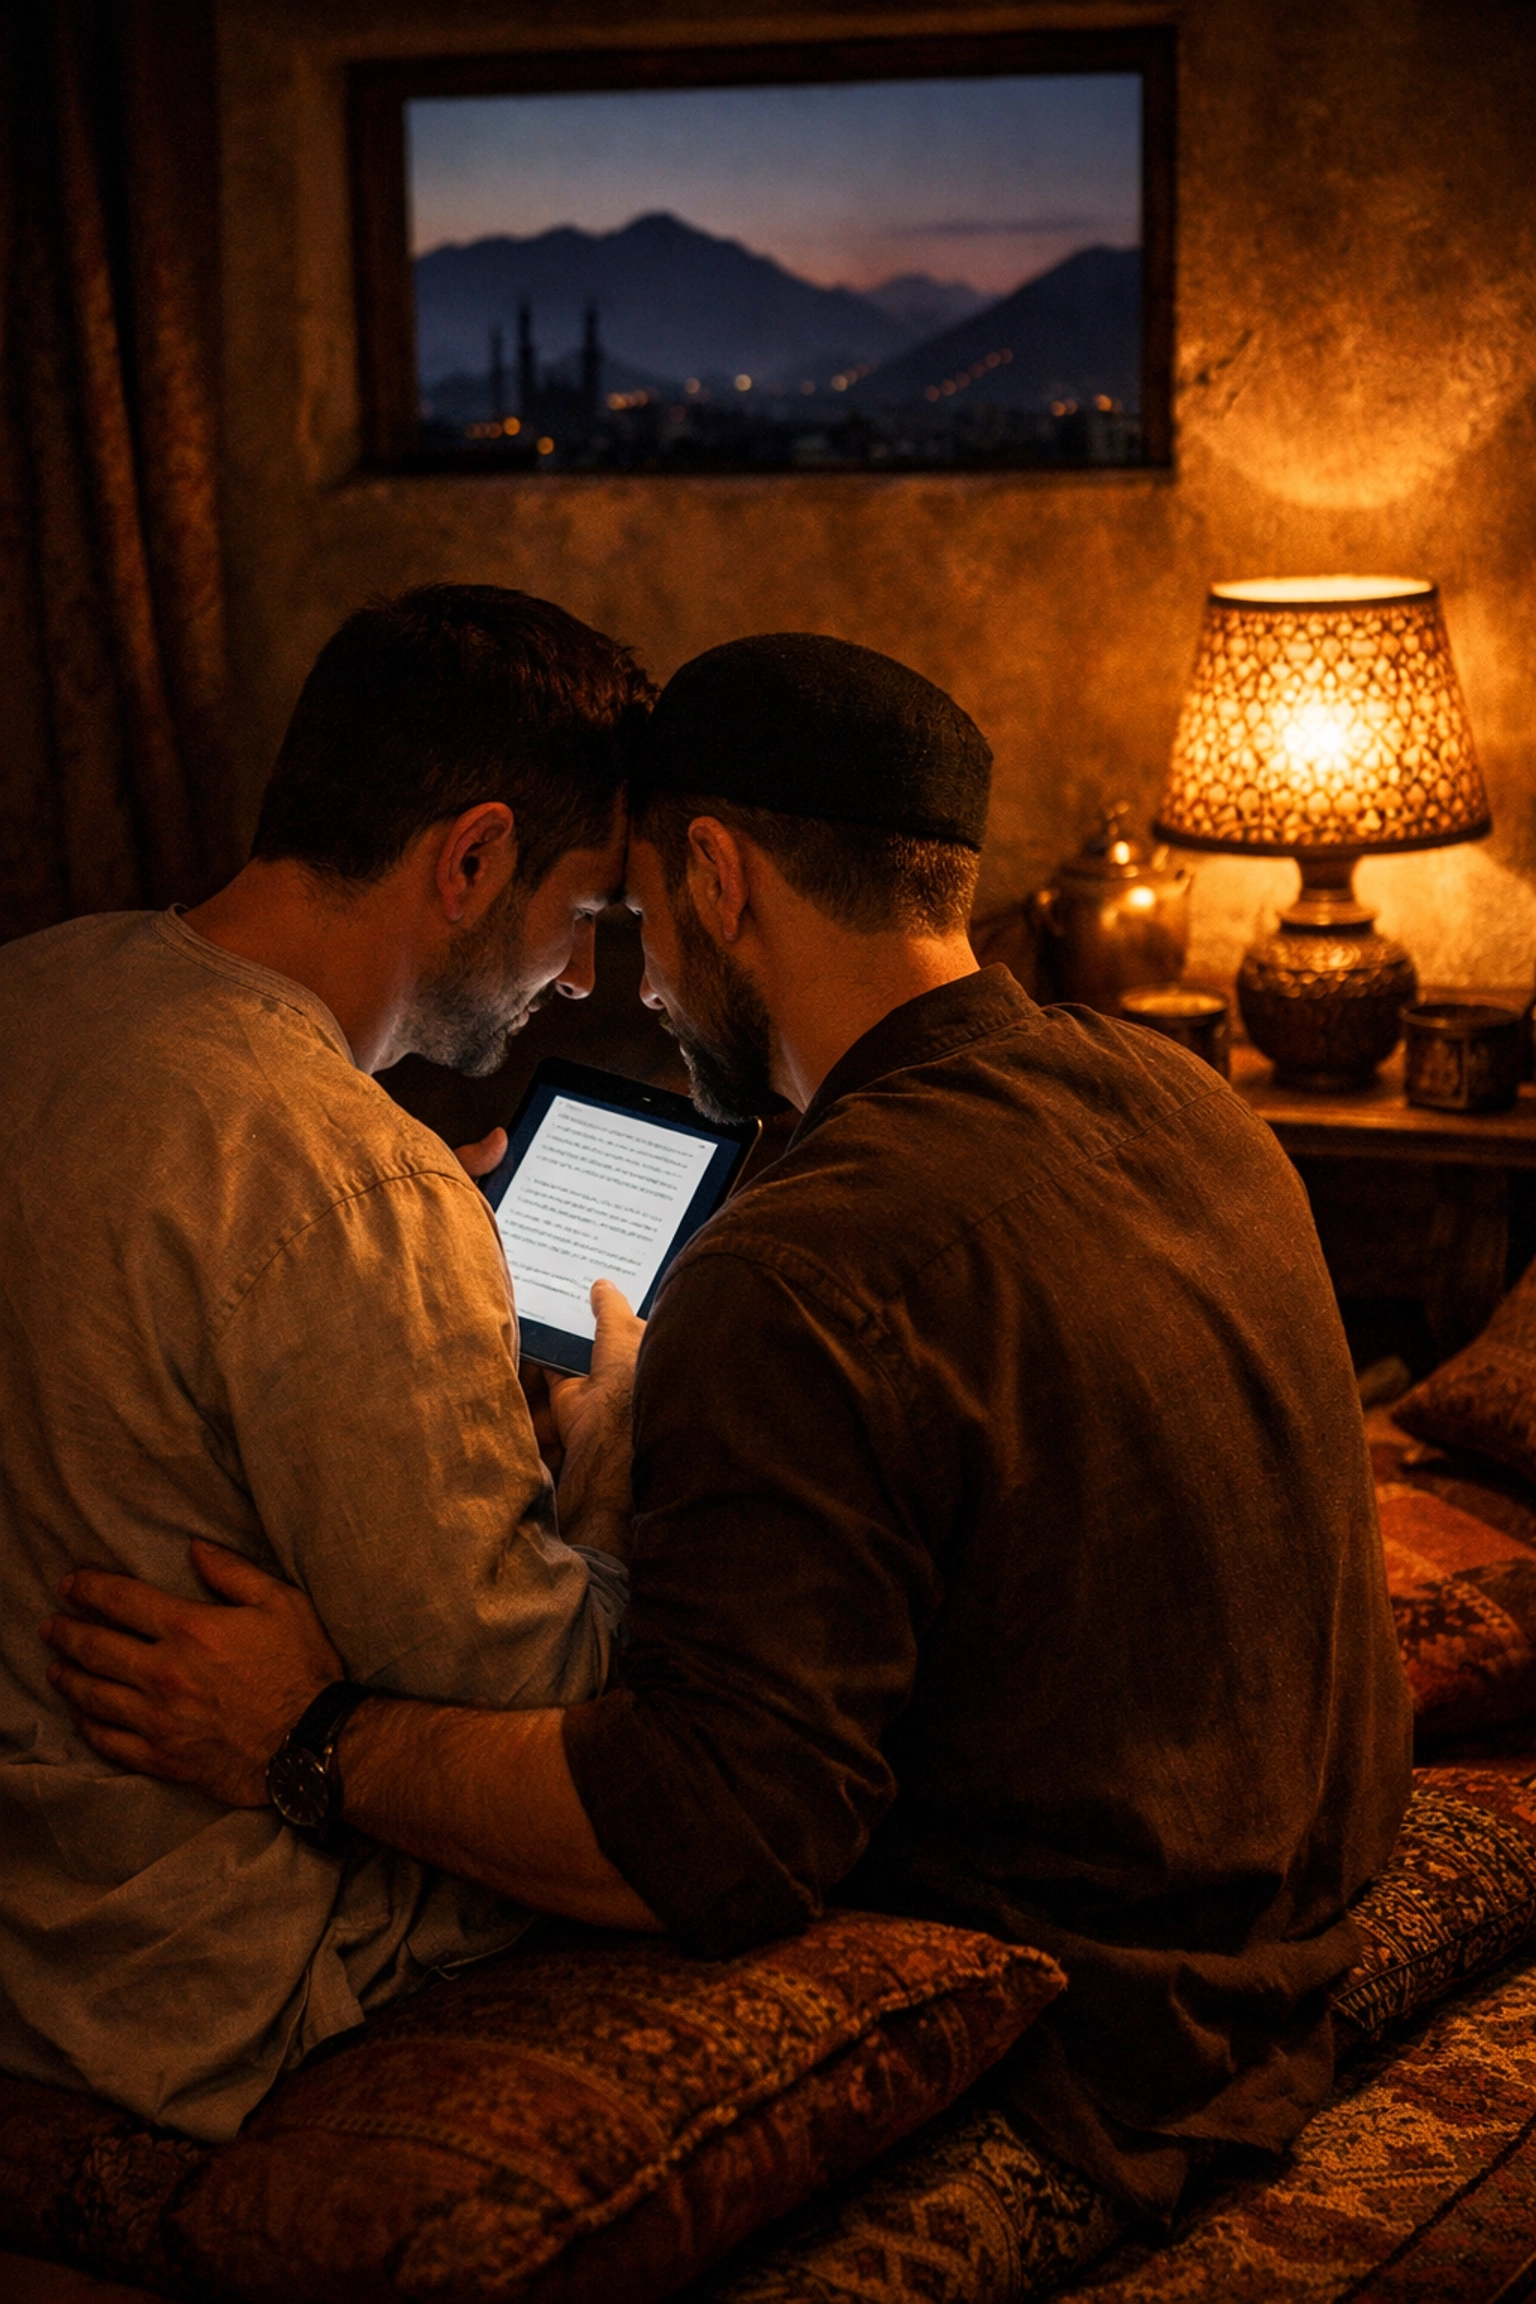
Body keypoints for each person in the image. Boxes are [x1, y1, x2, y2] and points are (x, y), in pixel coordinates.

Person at [44, 633, 1413, 2218]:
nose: (605, 977)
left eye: (624, 921)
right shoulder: (1188, 1099)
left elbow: (703, 1842)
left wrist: (308, 1736)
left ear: (717, 875)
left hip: (1096, 2017)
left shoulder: (796, 1266)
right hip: (1295, 1920)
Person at [2, 583, 655, 2140]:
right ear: (473, 856)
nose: (576, 982)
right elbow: (535, 1702)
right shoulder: (355, 1184)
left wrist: (415, 1279)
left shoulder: (43, 984)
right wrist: (615, 1462)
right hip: (181, 1978)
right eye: (581, 920)